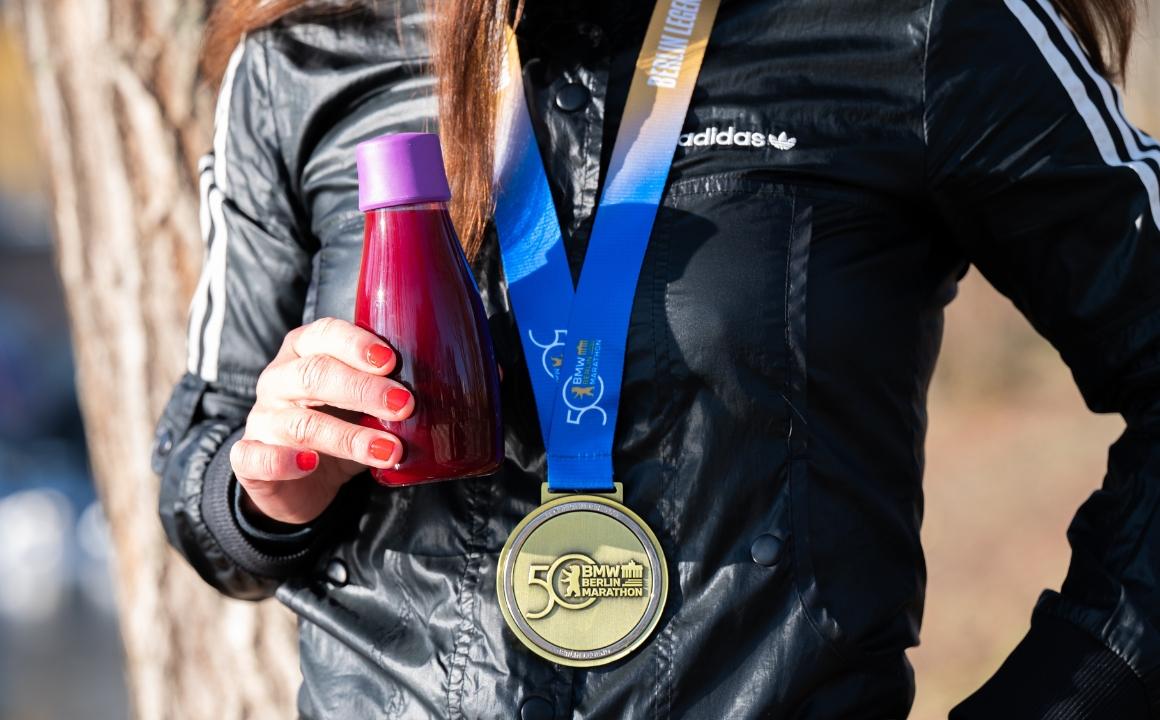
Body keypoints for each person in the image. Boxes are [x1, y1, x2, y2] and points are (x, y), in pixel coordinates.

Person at [153, 0, 1160, 716]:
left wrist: (1061, 695)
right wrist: (265, 488)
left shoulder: (921, 23)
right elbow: (202, 454)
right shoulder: (311, 47)